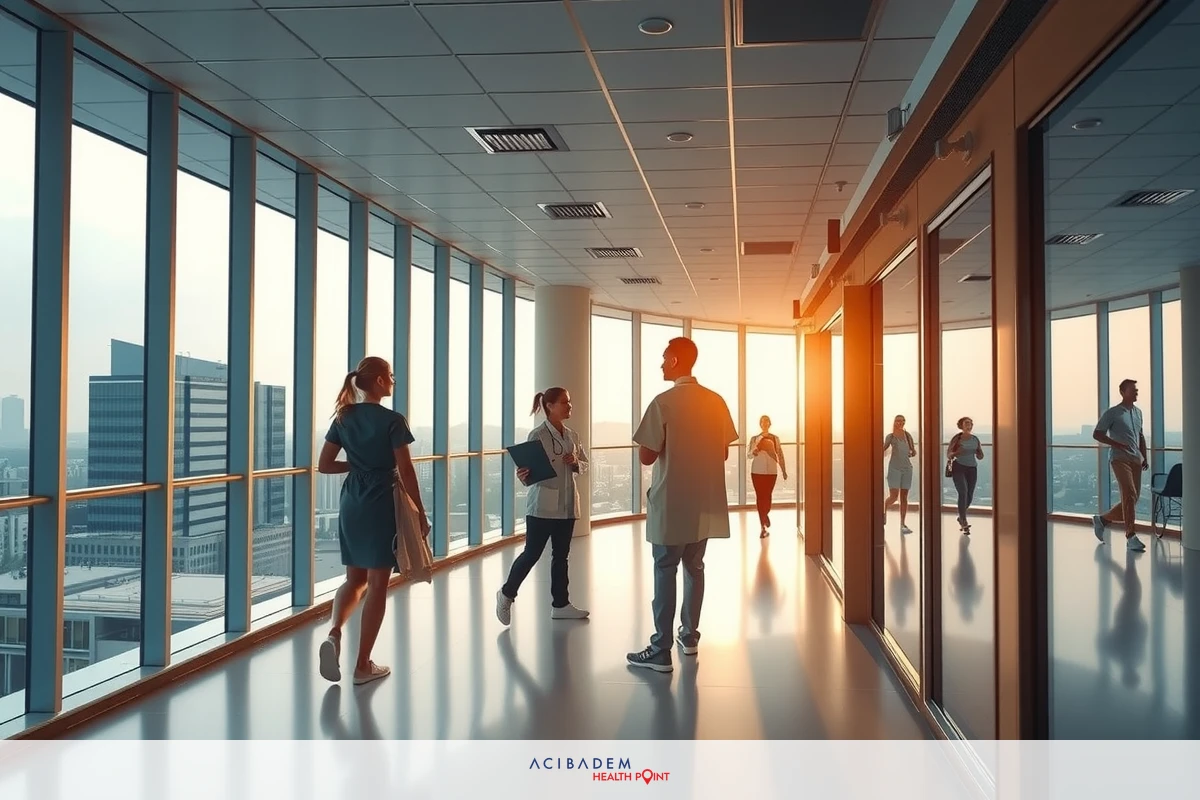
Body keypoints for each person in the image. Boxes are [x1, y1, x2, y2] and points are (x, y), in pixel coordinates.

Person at [317, 356, 430, 686]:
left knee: (354, 579)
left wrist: (356, 468)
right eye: (390, 376)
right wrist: (420, 512)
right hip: (381, 499)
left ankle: (335, 632)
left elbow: (325, 464)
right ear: (379, 381)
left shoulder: (343, 417)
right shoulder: (393, 420)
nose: (393, 381)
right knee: (378, 582)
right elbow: (406, 470)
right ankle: (362, 664)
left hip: (352, 499)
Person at [627, 337, 738, 672]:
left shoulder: (664, 402)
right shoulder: (716, 401)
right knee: (695, 567)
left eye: (663, 358)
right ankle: (689, 637)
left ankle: (660, 648)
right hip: (702, 501)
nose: (661, 364)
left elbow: (647, 456)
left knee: (665, 569)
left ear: (675, 361)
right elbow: (723, 451)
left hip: (671, 501)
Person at [496, 388, 591, 624]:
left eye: (569, 402)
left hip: (568, 505)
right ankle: (507, 594)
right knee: (532, 553)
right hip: (542, 506)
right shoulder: (537, 435)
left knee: (561, 556)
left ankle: (561, 604)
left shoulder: (573, 435)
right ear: (549, 406)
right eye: (564, 402)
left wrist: (575, 461)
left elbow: (586, 466)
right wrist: (523, 473)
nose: (569, 406)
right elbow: (527, 473)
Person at [1092, 379, 1148, 552]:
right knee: (1129, 494)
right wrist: (1116, 444)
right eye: (1133, 389)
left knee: (1133, 498)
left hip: (1135, 460)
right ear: (1123, 392)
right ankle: (1131, 536)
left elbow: (1140, 436)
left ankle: (1102, 520)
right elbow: (1097, 434)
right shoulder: (1113, 413)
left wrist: (1144, 457)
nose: (1136, 392)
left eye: (1137, 389)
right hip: (1119, 459)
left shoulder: (1138, 413)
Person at [748, 415, 787, 538]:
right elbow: (749, 455)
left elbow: (779, 454)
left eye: (767, 421)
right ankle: (762, 526)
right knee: (760, 496)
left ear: (770, 424)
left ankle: (765, 514)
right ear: (760, 424)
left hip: (771, 471)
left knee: (768, 496)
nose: (764, 423)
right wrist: (754, 451)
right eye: (762, 422)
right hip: (757, 471)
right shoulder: (754, 439)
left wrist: (784, 470)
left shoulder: (775, 439)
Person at [946, 416, 983, 534]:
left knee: (970, 496)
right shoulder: (957, 439)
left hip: (972, 468)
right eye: (967, 423)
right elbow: (949, 454)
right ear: (961, 425)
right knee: (963, 492)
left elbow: (980, 456)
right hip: (959, 467)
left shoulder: (975, 439)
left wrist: (979, 452)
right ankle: (964, 521)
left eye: (971, 423)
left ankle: (960, 517)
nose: (969, 425)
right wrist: (957, 452)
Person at [883, 415, 916, 533]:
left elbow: (914, 452)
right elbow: (883, 449)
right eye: (898, 421)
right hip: (894, 469)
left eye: (902, 421)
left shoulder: (908, 436)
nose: (900, 423)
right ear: (894, 422)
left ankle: (903, 523)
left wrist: (911, 453)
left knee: (904, 497)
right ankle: (884, 509)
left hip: (907, 468)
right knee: (893, 496)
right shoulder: (891, 437)